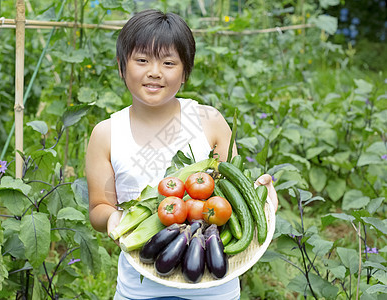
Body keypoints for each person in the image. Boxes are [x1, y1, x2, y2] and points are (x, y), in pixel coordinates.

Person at [85, 9, 278, 300]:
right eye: (141, 60)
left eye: (168, 62)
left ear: (185, 70)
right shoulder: (106, 133)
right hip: (139, 287)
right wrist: (112, 219)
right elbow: (98, 207)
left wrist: (261, 197)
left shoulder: (209, 121)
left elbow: (234, 189)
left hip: (213, 285)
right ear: (121, 66)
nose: (154, 71)